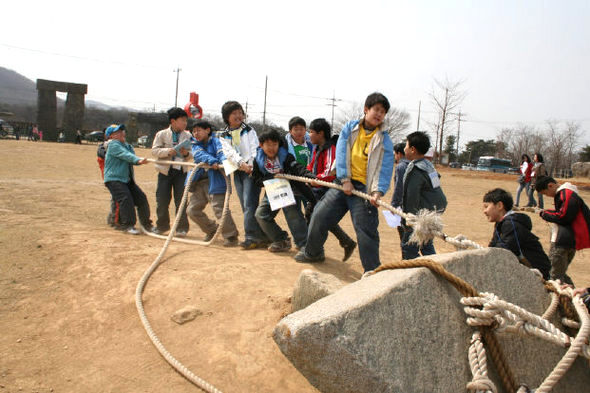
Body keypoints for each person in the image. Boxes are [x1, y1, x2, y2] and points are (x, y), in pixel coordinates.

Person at [295, 92, 394, 273]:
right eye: (376, 109)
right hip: (343, 183)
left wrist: (377, 191)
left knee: (366, 231)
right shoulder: (350, 128)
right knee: (319, 215)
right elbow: (341, 154)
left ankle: (372, 270)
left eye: (383, 112)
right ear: (366, 110)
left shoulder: (384, 139)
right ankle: (313, 252)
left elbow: (385, 168)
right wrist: (345, 179)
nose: (379, 114)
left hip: (364, 189)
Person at [252, 129, 316, 252]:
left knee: (293, 216)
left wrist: (310, 176)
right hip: (272, 191)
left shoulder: (286, 156)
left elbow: (297, 167)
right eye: (268, 144)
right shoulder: (258, 160)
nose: (271, 148)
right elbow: (256, 179)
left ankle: (304, 244)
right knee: (261, 215)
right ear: (261, 145)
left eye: (274, 144)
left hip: (289, 190)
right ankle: (281, 240)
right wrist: (269, 179)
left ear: (279, 145)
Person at [217, 101, 270, 249]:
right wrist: (241, 164)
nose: (238, 116)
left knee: (249, 204)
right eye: (234, 113)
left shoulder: (250, 130)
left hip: (251, 172)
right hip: (239, 171)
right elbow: (228, 152)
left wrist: (250, 165)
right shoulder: (224, 135)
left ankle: (251, 237)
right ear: (227, 117)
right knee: (245, 204)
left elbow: (255, 149)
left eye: (240, 112)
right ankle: (262, 235)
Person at [305, 118, 356, 261]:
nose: (309, 135)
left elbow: (330, 171)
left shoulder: (330, 149)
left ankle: (316, 250)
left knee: (318, 217)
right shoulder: (317, 148)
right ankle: (344, 242)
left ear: (320, 133)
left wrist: (317, 180)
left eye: (311, 132)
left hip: (326, 189)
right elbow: (312, 166)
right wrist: (306, 174)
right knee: (317, 217)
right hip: (317, 187)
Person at [187, 120, 239, 246]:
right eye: (194, 131)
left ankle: (231, 236)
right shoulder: (195, 144)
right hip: (199, 181)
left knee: (219, 209)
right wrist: (211, 161)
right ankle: (211, 229)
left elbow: (223, 154)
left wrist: (220, 163)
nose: (196, 133)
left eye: (198, 130)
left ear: (207, 130)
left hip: (216, 179)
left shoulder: (217, 141)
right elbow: (199, 155)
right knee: (192, 210)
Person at [483, 188, 551, 279]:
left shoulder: (511, 224)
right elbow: (493, 246)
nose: (484, 211)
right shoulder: (501, 224)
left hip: (538, 272)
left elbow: (504, 250)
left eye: (486, 206)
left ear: (499, 205)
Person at [401, 131, 447, 260]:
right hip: (433, 211)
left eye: (406, 145)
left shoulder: (415, 169)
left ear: (412, 149)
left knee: (409, 246)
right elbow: (436, 186)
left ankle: (411, 273)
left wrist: (409, 219)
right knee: (426, 243)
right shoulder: (429, 165)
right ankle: (436, 266)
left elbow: (411, 195)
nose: (404, 148)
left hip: (420, 214)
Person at [536, 176, 590, 285]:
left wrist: (545, 214)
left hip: (564, 241)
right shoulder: (566, 194)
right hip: (569, 240)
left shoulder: (566, 194)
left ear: (550, 185)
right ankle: (575, 296)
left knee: (554, 276)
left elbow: (563, 216)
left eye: (545, 193)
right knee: (560, 273)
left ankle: (572, 298)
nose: (547, 196)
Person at [103, 124, 153, 235]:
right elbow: (125, 155)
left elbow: (131, 159)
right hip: (114, 179)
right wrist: (137, 160)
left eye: (122, 131)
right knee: (126, 199)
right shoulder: (113, 145)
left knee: (141, 198)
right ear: (110, 136)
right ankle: (127, 225)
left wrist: (139, 161)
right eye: (117, 132)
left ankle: (147, 225)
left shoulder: (127, 146)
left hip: (127, 179)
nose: (121, 133)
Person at [151, 107, 192, 237]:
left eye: (186, 121)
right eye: (182, 120)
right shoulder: (161, 134)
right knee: (162, 199)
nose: (185, 123)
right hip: (165, 171)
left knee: (181, 200)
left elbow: (193, 153)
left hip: (181, 171)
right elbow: (154, 151)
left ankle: (182, 228)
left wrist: (186, 154)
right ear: (173, 121)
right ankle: (162, 226)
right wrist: (168, 151)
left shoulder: (188, 136)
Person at [390, 142, 411, 254]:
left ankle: (406, 258)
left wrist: (393, 205)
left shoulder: (401, 167)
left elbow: (399, 188)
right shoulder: (415, 164)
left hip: (404, 205)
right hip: (417, 205)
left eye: (395, 154)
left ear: (399, 154)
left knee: (403, 232)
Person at [97, 129, 118, 227]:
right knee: (117, 197)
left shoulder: (120, 146)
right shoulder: (103, 146)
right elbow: (104, 155)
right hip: (111, 177)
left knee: (116, 197)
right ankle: (114, 219)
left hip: (117, 175)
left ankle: (113, 218)